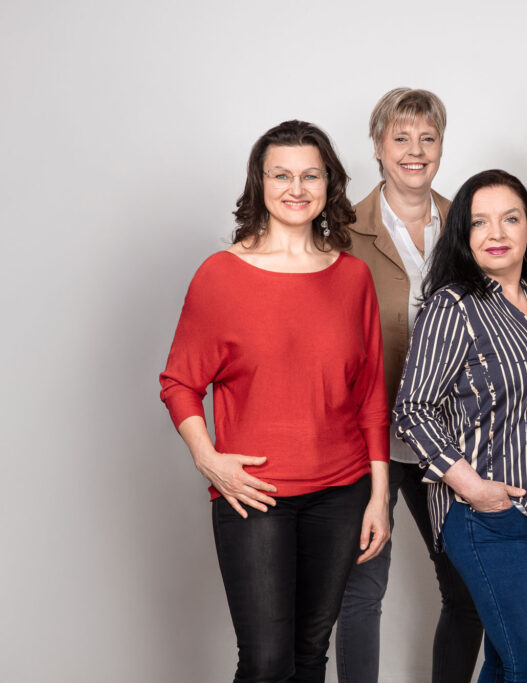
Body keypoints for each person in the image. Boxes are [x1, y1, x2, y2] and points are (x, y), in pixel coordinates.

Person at [159, 120, 391, 683]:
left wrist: (379, 496)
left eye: (311, 175)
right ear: (259, 183)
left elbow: (370, 395)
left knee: (311, 654)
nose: (297, 188)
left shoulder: (354, 277)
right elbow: (179, 382)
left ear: (329, 183)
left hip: (342, 492)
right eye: (281, 175)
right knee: (265, 662)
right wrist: (208, 459)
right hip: (254, 494)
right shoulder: (220, 275)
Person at [393, 169, 527, 683]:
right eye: (480, 222)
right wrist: (473, 488)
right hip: (486, 516)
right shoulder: (451, 307)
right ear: (464, 234)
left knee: (508, 663)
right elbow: (412, 410)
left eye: (510, 219)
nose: (496, 233)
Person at [337, 88, 483, 683]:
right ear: (378, 147)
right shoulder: (341, 231)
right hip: (367, 437)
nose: (415, 150)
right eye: (401, 137)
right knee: (361, 590)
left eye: (427, 137)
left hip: (449, 437)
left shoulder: (471, 224)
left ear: (442, 145)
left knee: (468, 590)